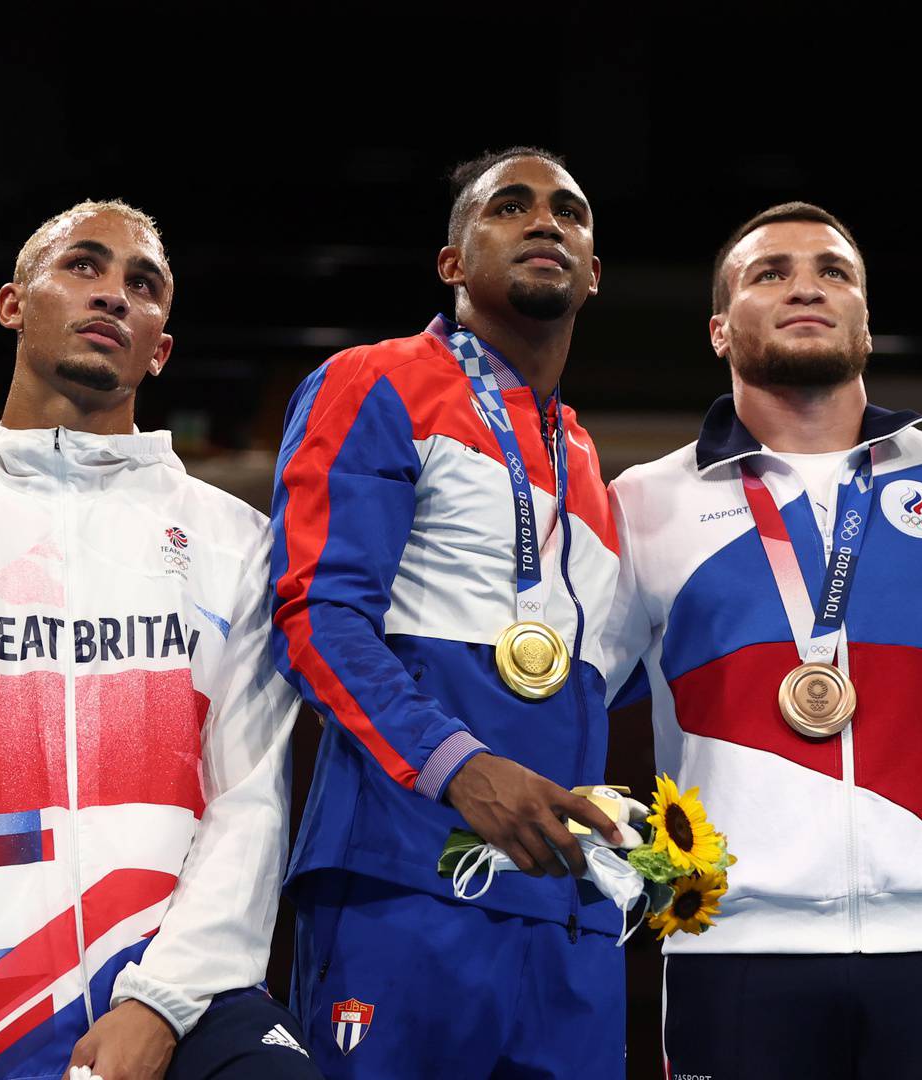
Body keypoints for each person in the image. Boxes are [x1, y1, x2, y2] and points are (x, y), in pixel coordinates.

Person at [0, 200, 316, 1080]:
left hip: (188, 1002)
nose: (113, 294)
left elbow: (252, 803)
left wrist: (159, 1005)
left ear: (160, 348)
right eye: (83, 267)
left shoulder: (238, 544)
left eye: (142, 284)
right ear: (14, 303)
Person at [602, 203, 922, 1079]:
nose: (806, 285)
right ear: (720, 330)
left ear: (867, 323)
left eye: (834, 272)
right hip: (732, 945)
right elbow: (571, 702)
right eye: (770, 272)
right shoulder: (643, 502)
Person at [269, 147, 626, 1078]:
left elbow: (596, 683)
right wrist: (459, 768)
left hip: (566, 908)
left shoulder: (589, 461)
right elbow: (316, 615)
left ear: (594, 269)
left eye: (569, 213)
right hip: (406, 875)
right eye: (511, 206)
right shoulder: (376, 382)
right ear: (453, 262)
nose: (546, 221)